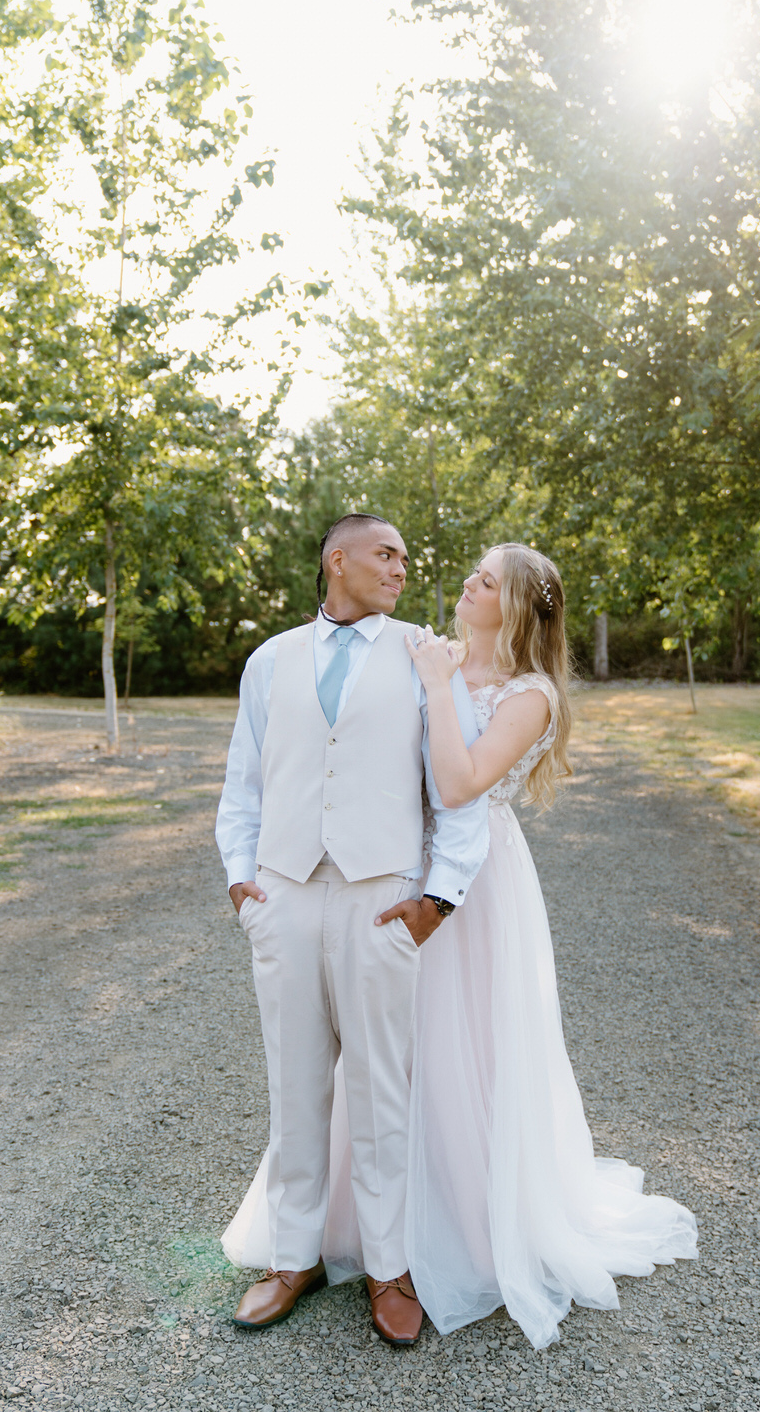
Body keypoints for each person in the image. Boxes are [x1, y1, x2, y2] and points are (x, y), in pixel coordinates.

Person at [401, 543, 699, 1348]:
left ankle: (462, 1229)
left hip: (477, 881)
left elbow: (461, 784)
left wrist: (433, 681)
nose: (471, 582)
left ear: (521, 608)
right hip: (402, 860)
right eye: (475, 571)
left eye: (489, 580)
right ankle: (377, 1218)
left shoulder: (529, 695)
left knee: (465, 1046)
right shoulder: (434, 654)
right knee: (393, 1040)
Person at [215, 513, 489, 1346]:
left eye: (405, 557)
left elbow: (458, 793)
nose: (401, 568)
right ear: (339, 560)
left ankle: (390, 1267)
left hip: (382, 901)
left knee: (383, 1092)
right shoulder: (270, 660)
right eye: (386, 554)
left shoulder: (424, 658)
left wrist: (435, 902)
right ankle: (291, 1258)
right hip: (287, 897)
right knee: (294, 1085)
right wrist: (242, 886)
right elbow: (243, 786)